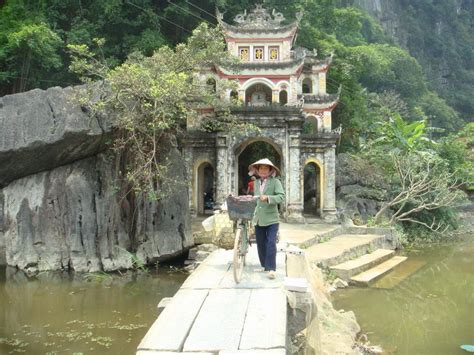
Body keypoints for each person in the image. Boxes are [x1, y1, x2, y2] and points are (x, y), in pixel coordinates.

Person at [248, 158, 285, 279]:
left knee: (270, 243)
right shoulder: (256, 183)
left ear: (270, 170)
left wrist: (268, 198)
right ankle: (264, 265)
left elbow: (281, 197)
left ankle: (271, 268)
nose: (263, 170)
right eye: (261, 168)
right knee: (260, 244)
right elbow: (256, 199)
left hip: (272, 219)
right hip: (259, 218)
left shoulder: (275, 182)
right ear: (257, 170)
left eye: (266, 168)